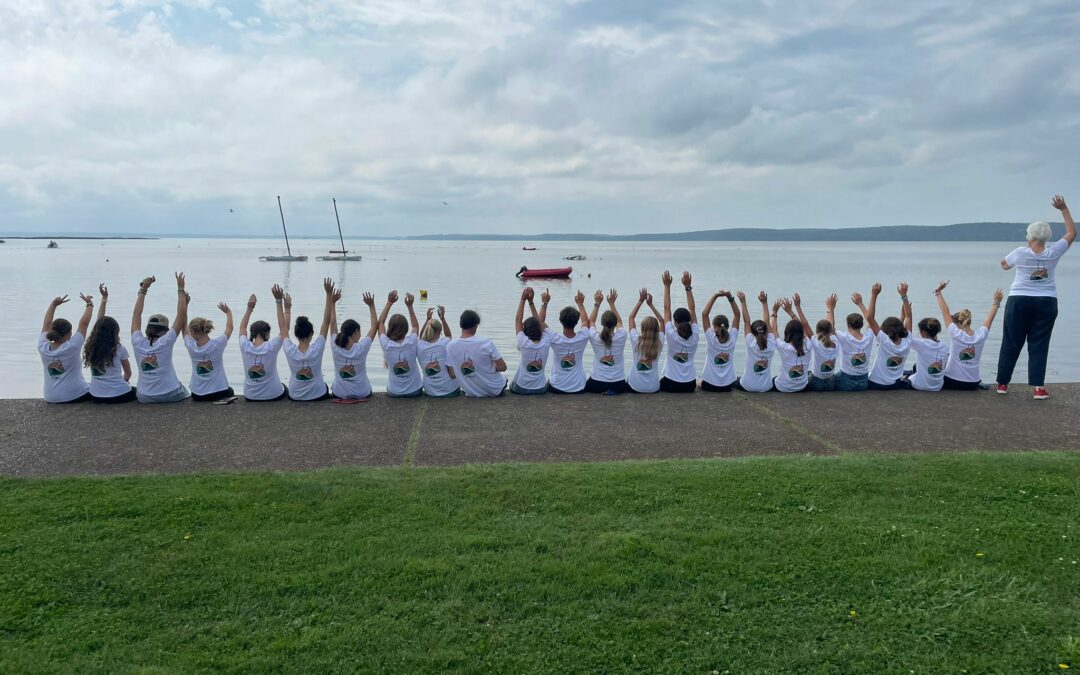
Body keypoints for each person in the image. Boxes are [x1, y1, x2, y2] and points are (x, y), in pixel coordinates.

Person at [996, 194, 1075, 399]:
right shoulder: (1053, 252)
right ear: (1047, 237)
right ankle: (1038, 388)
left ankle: (1003, 384)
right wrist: (1064, 209)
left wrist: (1013, 263)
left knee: (1011, 341)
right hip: (1046, 301)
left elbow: (1004, 266)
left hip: (1019, 300)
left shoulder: (1020, 252)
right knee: (1039, 343)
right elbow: (1072, 233)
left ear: (1029, 236)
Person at [130, 273, 189, 403]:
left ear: (147, 328)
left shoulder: (137, 341)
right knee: (186, 390)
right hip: (171, 394)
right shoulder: (166, 341)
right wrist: (181, 290)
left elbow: (136, 314)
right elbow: (181, 315)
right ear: (165, 330)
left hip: (144, 396)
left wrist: (143, 289)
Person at [934, 281, 1003, 390]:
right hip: (972, 384)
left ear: (957, 323)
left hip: (952, 381)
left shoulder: (955, 333)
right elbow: (990, 318)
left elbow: (945, 312)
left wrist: (938, 292)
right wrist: (996, 301)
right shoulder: (981, 335)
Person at [282, 278, 334, 401]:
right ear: (311, 334)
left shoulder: (289, 349)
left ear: (296, 334)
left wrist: (285, 307)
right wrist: (328, 294)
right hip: (318, 395)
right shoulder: (317, 348)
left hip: (295, 395)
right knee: (325, 386)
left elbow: (282, 328)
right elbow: (326, 321)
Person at [83, 283, 135, 403]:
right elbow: (128, 373)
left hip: (95, 395)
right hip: (118, 395)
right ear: (115, 332)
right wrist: (123, 382)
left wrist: (104, 299)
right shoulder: (119, 348)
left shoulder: (91, 346)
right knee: (136, 392)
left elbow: (99, 323)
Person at [39, 292, 93, 403]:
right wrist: (89, 304)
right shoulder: (72, 347)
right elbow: (84, 324)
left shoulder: (42, 346)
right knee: (99, 389)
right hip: (73, 395)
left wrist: (53, 305)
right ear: (68, 334)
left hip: (50, 397)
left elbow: (46, 324)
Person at [857, 282, 912, 390]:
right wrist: (904, 296)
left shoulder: (884, 340)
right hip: (894, 385)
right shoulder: (907, 340)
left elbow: (870, 318)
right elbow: (908, 317)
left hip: (876, 384)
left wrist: (874, 295)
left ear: (885, 331)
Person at [182, 291, 235, 402]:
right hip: (219, 393)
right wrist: (229, 312)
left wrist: (185, 305)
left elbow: (183, 328)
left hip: (197, 395)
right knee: (230, 391)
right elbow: (229, 328)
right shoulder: (218, 344)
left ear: (193, 332)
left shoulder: (191, 346)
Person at [238, 285, 288, 402]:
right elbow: (284, 329)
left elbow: (242, 327)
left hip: (250, 396)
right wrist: (281, 303)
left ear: (252, 333)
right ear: (266, 333)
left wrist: (249, 308)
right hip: (273, 395)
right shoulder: (272, 346)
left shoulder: (244, 345)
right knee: (284, 387)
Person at [329, 290, 378, 402]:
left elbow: (333, 324)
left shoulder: (335, 346)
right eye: (359, 332)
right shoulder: (361, 348)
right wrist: (371, 305)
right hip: (362, 393)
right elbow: (374, 327)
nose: (360, 335)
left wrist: (332, 303)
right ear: (355, 331)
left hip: (339, 393)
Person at [446, 309, 508, 397]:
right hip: (495, 389)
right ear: (476, 325)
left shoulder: (450, 346)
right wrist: (491, 365)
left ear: (460, 325)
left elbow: (452, 374)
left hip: (470, 392)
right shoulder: (486, 343)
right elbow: (503, 367)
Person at [378, 290, 423, 398]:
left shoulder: (386, 344)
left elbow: (380, 323)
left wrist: (389, 302)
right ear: (406, 329)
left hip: (394, 392)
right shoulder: (411, 342)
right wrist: (410, 306)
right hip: (415, 391)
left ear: (390, 328)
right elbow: (416, 327)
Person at [544, 290, 591, 394]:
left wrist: (545, 303)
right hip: (578, 387)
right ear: (576, 322)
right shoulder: (583, 337)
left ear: (561, 321)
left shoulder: (555, 339)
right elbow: (585, 322)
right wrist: (580, 304)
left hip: (557, 387)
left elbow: (541, 322)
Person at [660, 270, 700, 393]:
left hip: (670, 384)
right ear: (689, 321)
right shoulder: (695, 335)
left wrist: (667, 286)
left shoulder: (672, 335)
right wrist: (688, 287)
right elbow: (692, 309)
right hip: (690, 385)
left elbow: (667, 309)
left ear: (675, 322)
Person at [903, 295, 949, 392]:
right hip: (938, 387)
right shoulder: (944, 346)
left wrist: (905, 303)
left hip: (920, 386)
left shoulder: (922, 344)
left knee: (909, 376)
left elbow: (906, 333)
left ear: (923, 332)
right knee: (916, 368)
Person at [510, 287, 552, 395]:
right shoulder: (546, 341)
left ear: (525, 331)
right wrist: (531, 302)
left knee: (512, 383)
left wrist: (523, 299)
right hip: (541, 389)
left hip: (521, 388)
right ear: (540, 329)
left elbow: (518, 319)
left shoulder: (523, 342)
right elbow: (540, 323)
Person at [585, 289, 627, 394]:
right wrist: (611, 303)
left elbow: (591, 321)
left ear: (602, 323)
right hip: (618, 385)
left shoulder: (595, 336)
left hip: (597, 384)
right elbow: (620, 322)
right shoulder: (622, 335)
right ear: (614, 324)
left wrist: (597, 303)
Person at [734, 290, 776, 392]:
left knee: (733, 380)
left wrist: (743, 301)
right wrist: (764, 303)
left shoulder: (750, 343)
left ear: (752, 334)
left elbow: (746, 321)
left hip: (747, 386)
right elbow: (766, 321)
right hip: (766, 387)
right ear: (766, 331)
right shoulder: (772, 343)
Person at [626, 288, 665, 393]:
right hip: (654, 388)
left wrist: (640, 300)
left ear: (642, 329)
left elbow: (631, 318)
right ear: (657, 330)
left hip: (635, 388)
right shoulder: (659, 342)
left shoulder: (636, 340)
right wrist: (651, 305)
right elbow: (662, 321)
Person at [700, 290, 739, 392]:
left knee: (697, 382)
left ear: (714, 327)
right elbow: (737, 315)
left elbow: (704, 314)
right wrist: (730, 297)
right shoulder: (732, 338)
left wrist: (716, 295)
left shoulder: (711, 337)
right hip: (727, 386)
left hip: (709, 385)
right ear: (727, 326)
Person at [834, 293, 875, 392]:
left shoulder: (844, 337)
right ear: (862, 325)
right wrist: (860, 304)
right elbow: (871, 320)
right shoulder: (869, 337)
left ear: (848, 326)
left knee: (829, 379)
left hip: (846, 382)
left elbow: (830, 328)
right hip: (863, 382)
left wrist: (831, 309)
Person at [418, 304, 460, 397]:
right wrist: (443, 318)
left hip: (430, 391)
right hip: (450, 391)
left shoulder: (419, 345)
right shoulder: (444, 343)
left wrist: (427, 319)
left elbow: (420, 338)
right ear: (438, 332)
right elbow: (449, 336)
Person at [773, 296, 811, 393]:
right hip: (802, 386)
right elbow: (803, 326)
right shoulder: (809, 344)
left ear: (787, 333)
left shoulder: (784, 347)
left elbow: (774, 330)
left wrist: (774, 312)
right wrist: (791, 312)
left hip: (783, 387)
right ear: (801, 332)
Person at [804, 293, 839, 392]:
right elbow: (831, 325)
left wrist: (796, 309)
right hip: (830, 384)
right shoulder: (836, 342)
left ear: (817, 331)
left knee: (806, 374)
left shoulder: (816, 342)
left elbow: (805, 325)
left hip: (816, 383)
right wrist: (830, 309)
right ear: (831, 331)